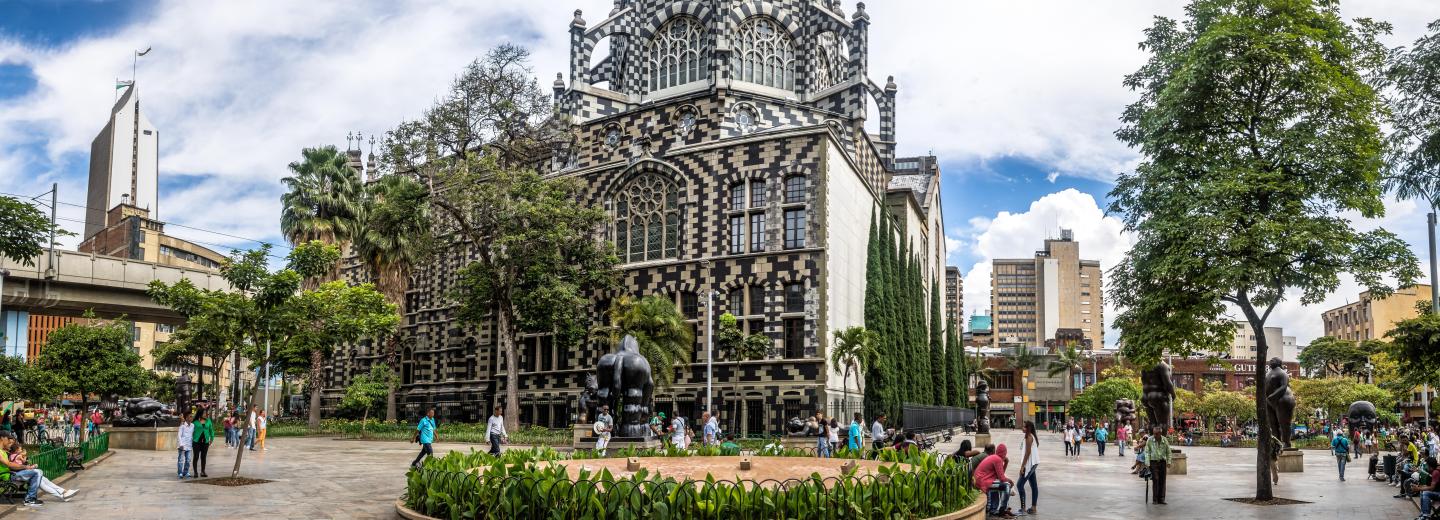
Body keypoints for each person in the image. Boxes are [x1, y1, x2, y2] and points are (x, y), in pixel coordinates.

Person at [0, 431, 75, 506]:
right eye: (7, 438)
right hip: (9, 475)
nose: (9, 441)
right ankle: (29, 499)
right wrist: (26, 467)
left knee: (40, 477)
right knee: (37, 472)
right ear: (2, 438)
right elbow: (9, 464)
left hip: (12, 474)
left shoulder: (3, 451)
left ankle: (63, 494)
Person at [973, 443, 1014, 517]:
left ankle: (993, 510)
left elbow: (1000, 475)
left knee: (999, 484)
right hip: (982, 481)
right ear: (1004, 453)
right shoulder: (997, 459)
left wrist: (1006, 463)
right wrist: (1010, 481)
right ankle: (1002, 511)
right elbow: (1002, 478)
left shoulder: (995, 457)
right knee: (1007, 486)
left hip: (981, 480)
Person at [1016, 421, 1040, 516]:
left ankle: (1023, 508)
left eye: (1024, 427)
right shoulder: (1030, 436)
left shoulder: (1029, 437)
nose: (1022, 428)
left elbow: (1028, 453)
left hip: (1030, 464)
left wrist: (1022, 467)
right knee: (1033, 485)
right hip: (1033, 463)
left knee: (1019, 485)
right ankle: (1033, 508)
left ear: (1028, 428)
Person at [1145, 426, 1172, 504]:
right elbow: (1147, 451)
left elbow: (1168, 452)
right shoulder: (1150, 440)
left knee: (1162, 480)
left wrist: (1169, 461)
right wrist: (1147, 462)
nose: (1155, 435)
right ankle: (1155, 499)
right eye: (1154, 434)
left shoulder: (1164, 440)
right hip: (1153, 462)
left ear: (1160, 433)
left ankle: (1162, 499)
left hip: (1162, 462)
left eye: (1157, 434)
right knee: (1156, 479)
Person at [192, 411, 213, 478]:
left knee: (203, 457)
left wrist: (212, 439)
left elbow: (211, 430)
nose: (205, 414)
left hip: (205, 442)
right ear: (200, 414)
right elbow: (191, 431)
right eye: (204, 413)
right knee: (196, 456)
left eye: (206, 413)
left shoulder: (208, 421)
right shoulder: (195, 422)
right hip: (196, 441)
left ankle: (203, 471)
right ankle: (195, 472)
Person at [177, 412, 194, 479]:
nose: (191, 418)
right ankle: (180, 472)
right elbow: (179, 435)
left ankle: (186, 472)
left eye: (192, 416)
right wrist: (181, 444)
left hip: (189, 445)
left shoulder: (193, 425)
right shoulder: (182, 425)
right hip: (182, 446)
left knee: (188, 460)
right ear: (186, 417)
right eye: (190, 416)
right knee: (181, 460)